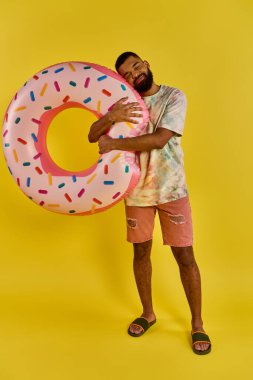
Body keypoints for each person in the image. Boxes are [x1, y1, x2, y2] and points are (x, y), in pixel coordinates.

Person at [88, 52, 211, 355]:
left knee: (185, 256)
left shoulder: (173, 96)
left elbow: (159, 139)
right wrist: (111, 117)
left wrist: (114, 142)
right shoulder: (123, 103)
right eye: (127, 74)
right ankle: (148, 313)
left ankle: (197, 324)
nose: (134, 75)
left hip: (171, 189)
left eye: (136, 67)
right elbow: (93, 135)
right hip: (135, 192)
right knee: (140, 251)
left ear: (146, 63)